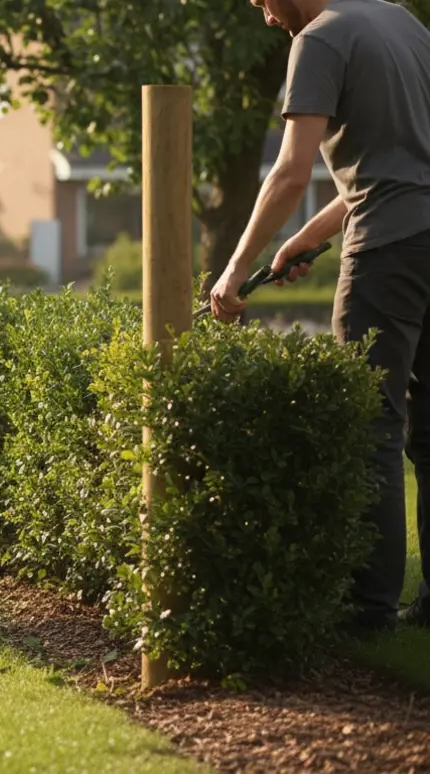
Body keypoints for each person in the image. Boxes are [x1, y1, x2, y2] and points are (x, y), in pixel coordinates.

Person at [210, 0, 430, 634]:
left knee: (370, 426)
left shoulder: (320, 41)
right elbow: (395, 168)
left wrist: (234, 267)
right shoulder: (401, 20)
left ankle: (368, 610)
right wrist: (302, 237)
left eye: (262, 3)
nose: (267, 19)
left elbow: (289, 170)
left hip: (389, 251)